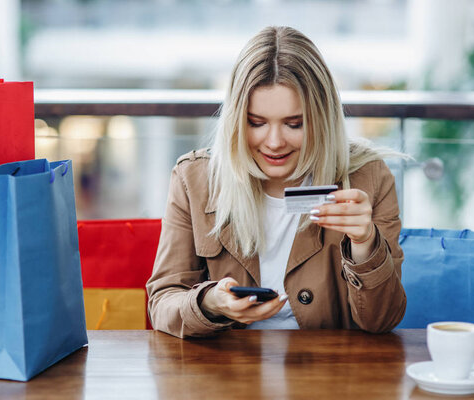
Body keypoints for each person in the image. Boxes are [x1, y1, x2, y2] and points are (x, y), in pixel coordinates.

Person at [146, 26, 406, 338]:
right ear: (236, 121)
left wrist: (365, 243)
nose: (274, 142)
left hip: (331, 373)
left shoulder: (368, 178)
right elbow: (162, 303)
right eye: (256, 123)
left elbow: (382, 320)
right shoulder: (195, 179)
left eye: (294, 124)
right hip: (226, 372)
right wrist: (210, 302)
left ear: (322, 120)